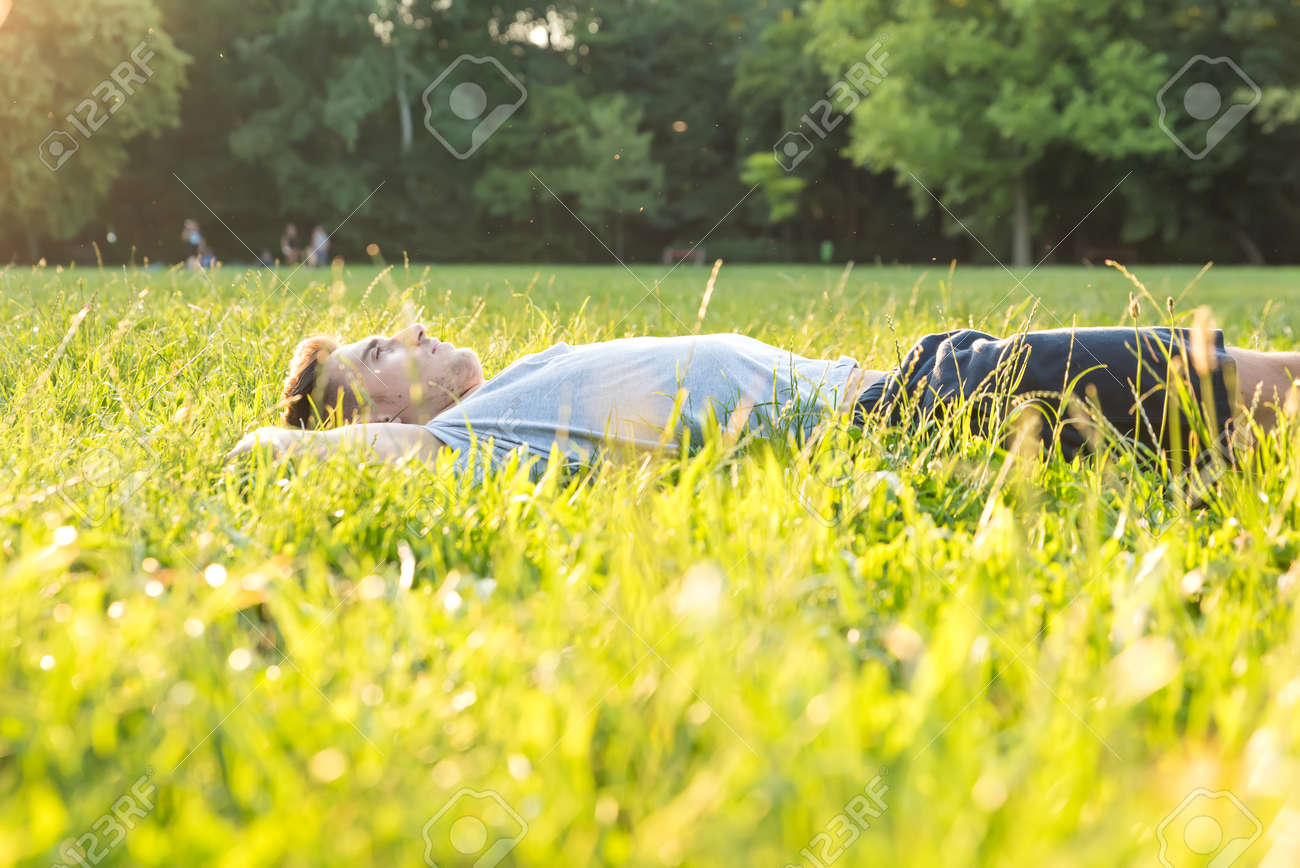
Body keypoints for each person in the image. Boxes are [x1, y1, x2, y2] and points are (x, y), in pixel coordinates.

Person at [229, 323, 1300, 470]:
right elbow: (258, 454)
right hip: (911, 413)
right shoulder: (465, 440)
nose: (406, 331)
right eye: (375, 348)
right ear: (370, 412)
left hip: (912, 377)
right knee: (1194, 373)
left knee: (1200, 404)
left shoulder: (502, 393)